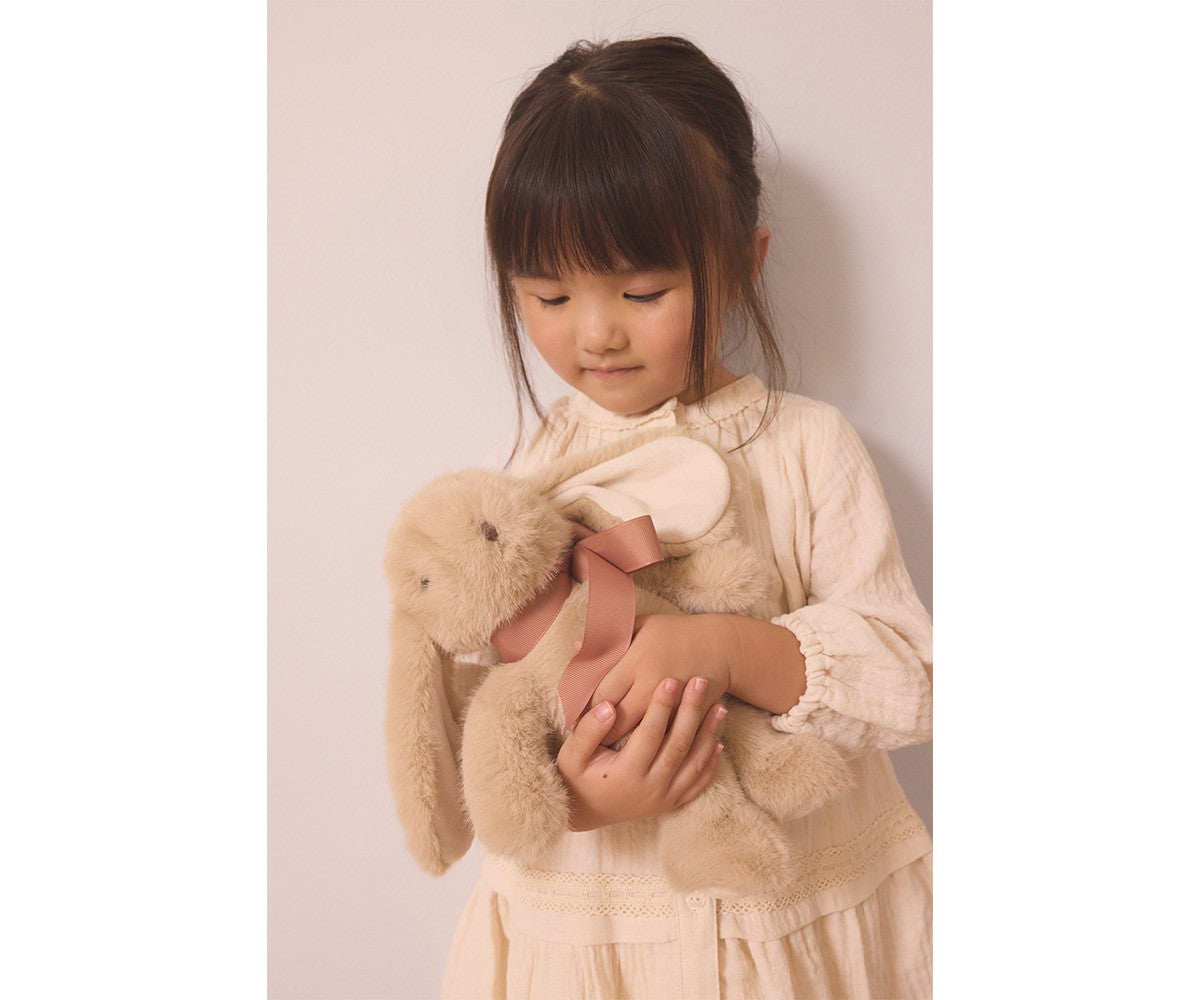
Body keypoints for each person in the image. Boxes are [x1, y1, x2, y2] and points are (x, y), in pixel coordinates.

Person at [439, 35, 932, 999]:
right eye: (549, 294)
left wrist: (720, 650)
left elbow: (911, 678)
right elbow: (489, 711)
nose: (596, 331)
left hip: (787, 926)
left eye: (643, 290)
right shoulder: (524, 480)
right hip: (591, 936)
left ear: (741, 264)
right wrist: (578, 800)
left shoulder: (805, 448)